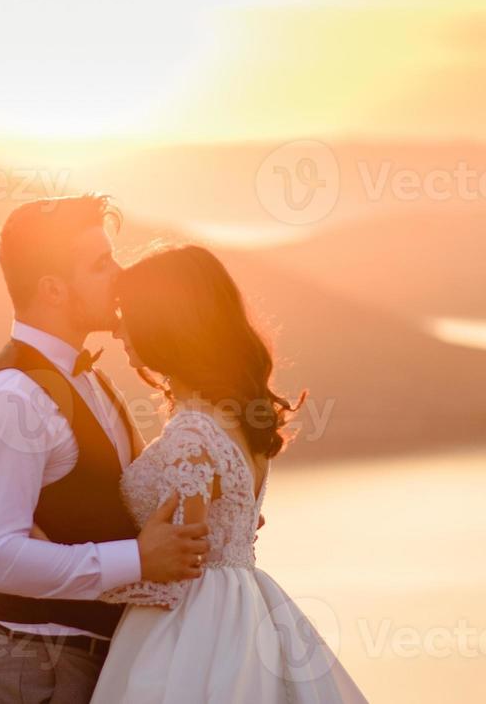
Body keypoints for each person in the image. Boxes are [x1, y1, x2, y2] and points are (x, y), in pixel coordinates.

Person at [0, 195, 210, 704]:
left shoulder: (92, 380)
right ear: (53, 289)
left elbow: (119, 502)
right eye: (100, 265)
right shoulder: (11, 399)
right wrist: (136, 560)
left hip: (87, 660)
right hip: (32, 667)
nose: (119, 275)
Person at [90, 243, 369, 703]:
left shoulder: (192, 433)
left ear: (166, 323)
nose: (118, 329)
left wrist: (88, 578)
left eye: (129, 314)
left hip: (189, 626)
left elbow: (182, 561)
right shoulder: (239, 420)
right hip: (246, 605)